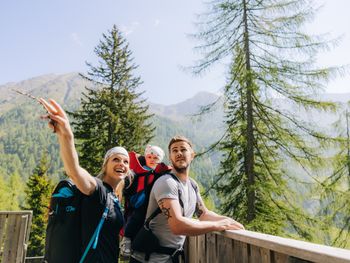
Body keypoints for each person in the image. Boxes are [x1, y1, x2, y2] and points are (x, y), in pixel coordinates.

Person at [130, 135, 244, 263]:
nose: (179, 153)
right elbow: (177, 226)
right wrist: (217, 225)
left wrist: (229, 221)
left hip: (170, 258)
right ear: (170, 157)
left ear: (192, 155)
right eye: (174, 150)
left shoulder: (192, 185)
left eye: (183, 149)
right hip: (147, 259)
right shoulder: (167, 182)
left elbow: (204, 214)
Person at [40, 98, 126, 263]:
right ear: (105, 165)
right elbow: (74, 171)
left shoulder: (114, 196)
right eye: (116, 159)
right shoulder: (98, 189)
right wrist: (67, 135)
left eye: (126, 161)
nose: (122, 164)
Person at [120, 145, 172, 257]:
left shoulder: (161, 173)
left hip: (154, 204)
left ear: (160, 160)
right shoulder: (138, 171)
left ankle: (138, 248)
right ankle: (126, 240)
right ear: (145, 157)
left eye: (156, 158)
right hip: (140, 202)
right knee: (136, 218)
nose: (152, 160)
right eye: (149, 157)